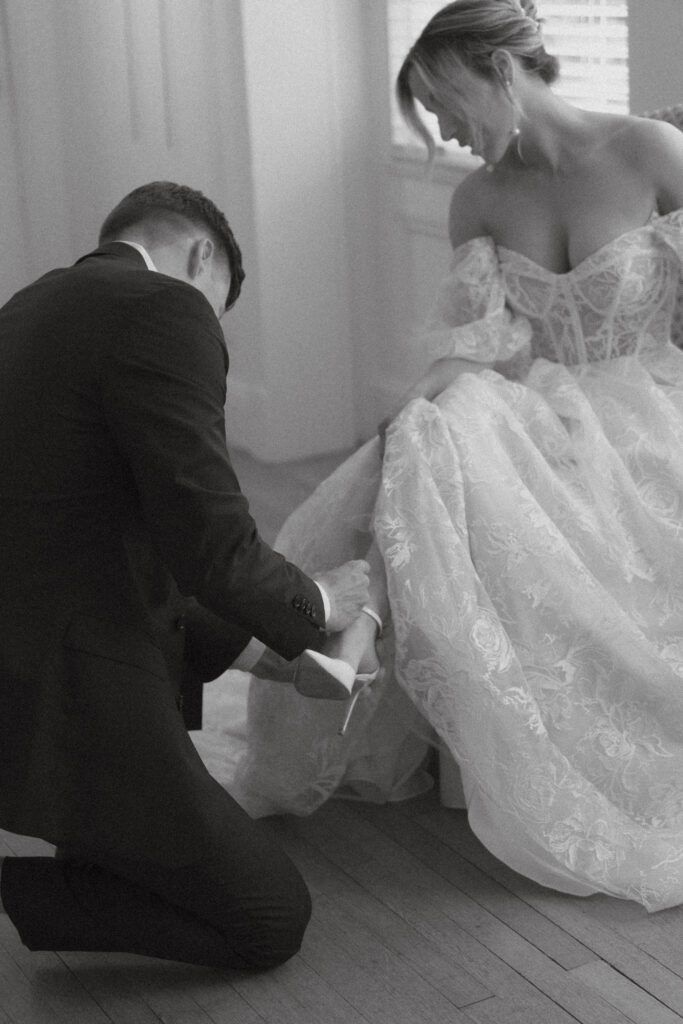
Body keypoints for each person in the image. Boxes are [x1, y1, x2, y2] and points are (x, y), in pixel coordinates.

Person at [196, 0, 683, 912]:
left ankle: (371, 635)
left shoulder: (649, 153)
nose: (447, 135)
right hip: (546, 403)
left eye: (447, 105)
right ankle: (359, 635)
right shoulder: (479, 199)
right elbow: (482, 345)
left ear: (498, 69)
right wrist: (398, 419)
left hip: (654, 404)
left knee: (463, 437)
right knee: (428, 432)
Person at [0, 180, 373, 969]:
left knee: (162, 846)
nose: (212, 326)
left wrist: (276, 659)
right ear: (202, 253)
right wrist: (323, 598)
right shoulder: (165, 309)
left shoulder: (30, 307)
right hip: (76, 682)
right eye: (219, 302)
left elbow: (109, 544)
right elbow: (212, 547)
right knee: (270, 918)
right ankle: (31, 889)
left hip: (31, 651)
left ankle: (104, 838)